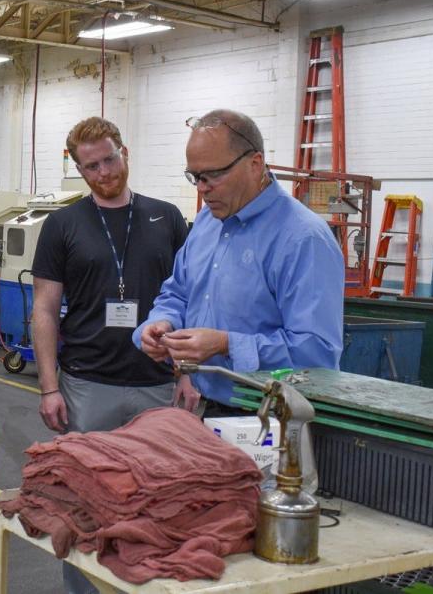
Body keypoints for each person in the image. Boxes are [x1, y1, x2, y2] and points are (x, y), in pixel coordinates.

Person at [31, 116, 188, 594]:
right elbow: (43, 310)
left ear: (125, 151)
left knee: (160, 501)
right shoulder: (62, 224)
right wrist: (49, 386)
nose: (104, 172)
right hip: (87, 386)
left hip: (158, 384)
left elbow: (190, 300)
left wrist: (187, 374)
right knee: (86, 505)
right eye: (91, 166)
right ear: (80, 170)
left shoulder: (167, 217)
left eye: (109, 159)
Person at [134, 108, 344, 410]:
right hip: (206, 407)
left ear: (255, 164)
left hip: (270, 417)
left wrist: (227, 345)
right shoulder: (208, 222)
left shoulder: (303, 238)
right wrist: (160, 323)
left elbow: (317, 354)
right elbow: (179, 292)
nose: (203, 189)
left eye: (214, 175)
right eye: (195, 177)